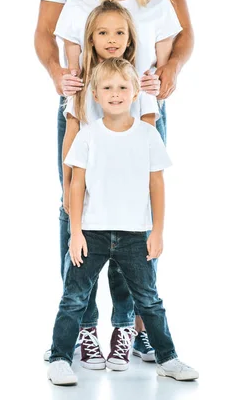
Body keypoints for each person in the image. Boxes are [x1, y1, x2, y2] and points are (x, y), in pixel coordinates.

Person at [35, 0, 193, 361]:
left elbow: (168, 61)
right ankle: (78, 326)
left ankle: (136, 325)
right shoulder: (82, 3)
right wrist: (67, 97)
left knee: (134, 219)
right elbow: (68, 68)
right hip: (87, 121)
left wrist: (164, 81)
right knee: (75, 213)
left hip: (141, 121)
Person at [47, 58, 199, 385]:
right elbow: (76, 184)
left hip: (134, 234)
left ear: (134, 94)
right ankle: (60, 357)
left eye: (122, 87)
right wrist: (75, 232)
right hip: (92, 232)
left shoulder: (147, 134)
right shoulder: (87, 134)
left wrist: (157, 232)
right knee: (74, 297)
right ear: (96, 96)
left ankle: (167, 357)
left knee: (149, 300)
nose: (115, 93)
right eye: (106, 88)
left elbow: (156, 184)